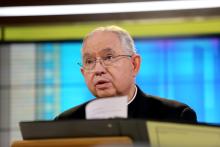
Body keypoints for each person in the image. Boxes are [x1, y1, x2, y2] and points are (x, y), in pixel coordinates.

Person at [55, 25, 197, 122]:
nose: (98, 70)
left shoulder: (175, 116)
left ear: (134, 65)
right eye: (89, 61)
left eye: (109, 57)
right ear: (82, 73)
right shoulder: (65, 122)